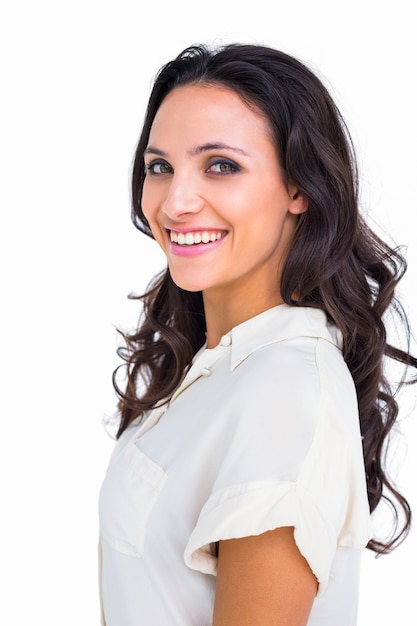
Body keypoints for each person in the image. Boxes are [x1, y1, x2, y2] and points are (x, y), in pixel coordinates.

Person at [98, 43, 416, 625]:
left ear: (299, 188)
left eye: (221, 165)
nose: (175, 202)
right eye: (159, 166)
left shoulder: (282, 392)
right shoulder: (225, 366)